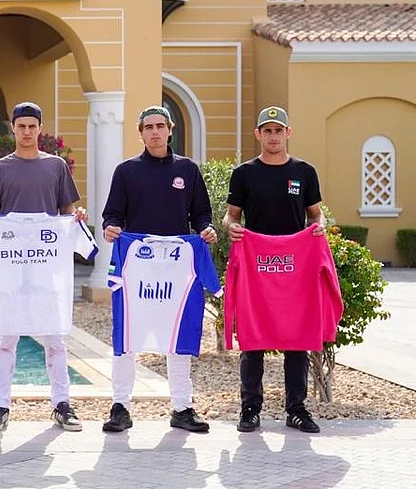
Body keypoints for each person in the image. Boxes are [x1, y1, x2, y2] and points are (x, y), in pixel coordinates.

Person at [0, 102, 88, 433]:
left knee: (55, 339)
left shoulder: (56, 166)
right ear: (13, 128)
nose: (26, 131)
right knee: (6, 339)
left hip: (46, 266)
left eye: (31, 126)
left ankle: (62, 404)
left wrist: (77, 218)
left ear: (40, 128)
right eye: (21, 126)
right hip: (10, 268)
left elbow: (67, 211)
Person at [100, 105, 218, 434]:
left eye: (160, 126)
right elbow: (112, 213)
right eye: (148, 127)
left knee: (177, 334)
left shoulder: (187, 170)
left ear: (170, 130)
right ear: (141, 133)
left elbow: (201, 213)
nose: (154, 132)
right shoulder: (126, 171)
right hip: (137, 267)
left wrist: (206, 229)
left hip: (176, 268)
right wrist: (111, 227)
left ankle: (182, 408)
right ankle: (120, 407)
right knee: (127, 335)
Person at [222, 106, 326, 434]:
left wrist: (319, 226)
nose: (273, 136)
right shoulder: (244, 173)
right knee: (253, 338)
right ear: (258, 135)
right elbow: (231, 215)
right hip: (257, 267)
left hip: (295, 269)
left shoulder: (304, 172)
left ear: (288, 133)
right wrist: (231, 227)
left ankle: (296, 409)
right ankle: (250, 408)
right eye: (267, 131)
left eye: (278, 130)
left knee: (297, 338)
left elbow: (315, 214)